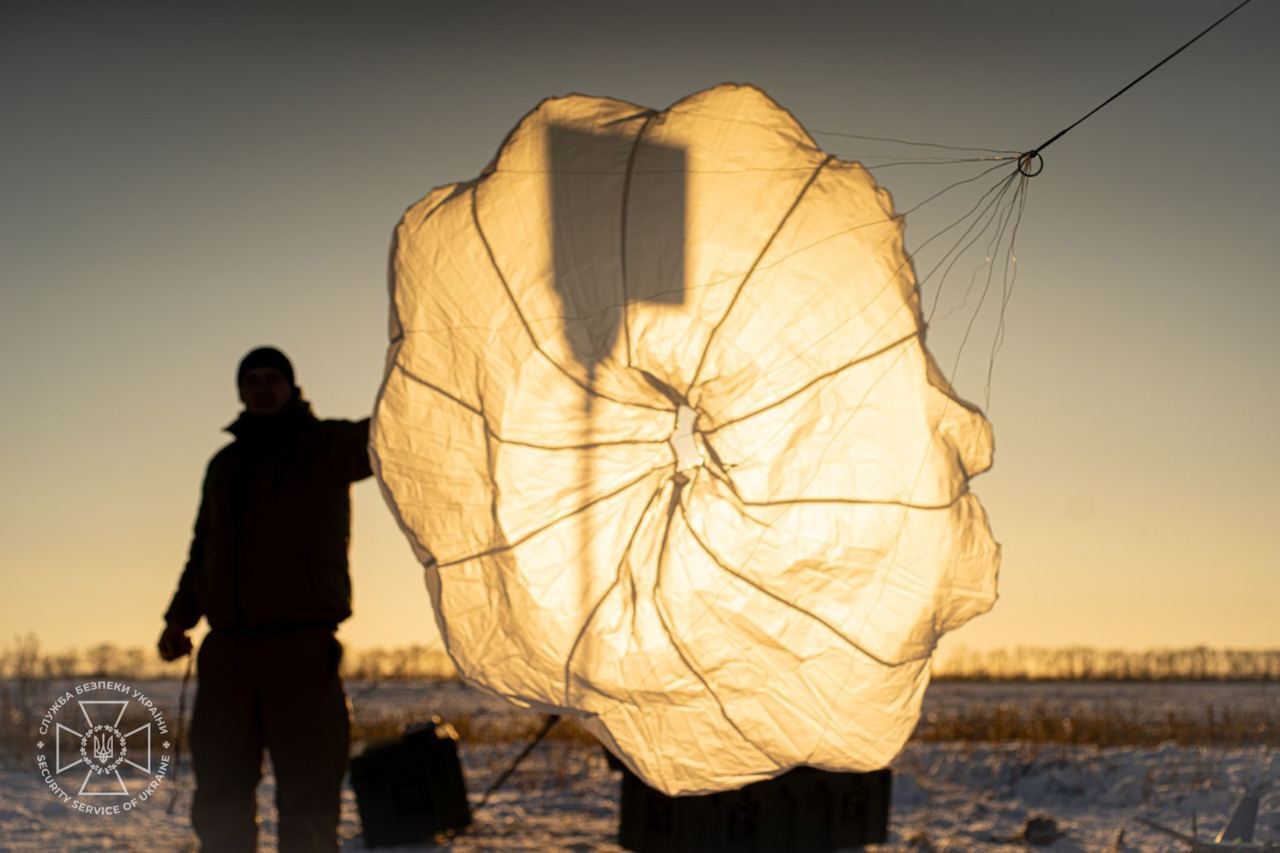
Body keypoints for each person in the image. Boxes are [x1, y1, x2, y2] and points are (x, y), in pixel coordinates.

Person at [158, 346, 372, 852]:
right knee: (221, 792)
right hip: (227, 654)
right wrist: (177, 620)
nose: (262, 388)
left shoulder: (326, 446)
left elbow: (393, 431)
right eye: (251, 380)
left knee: (309, 795)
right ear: (240, 391)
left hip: (301, 651)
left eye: (272, 378)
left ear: (291, 387)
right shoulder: (225, 465)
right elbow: (202, 547)